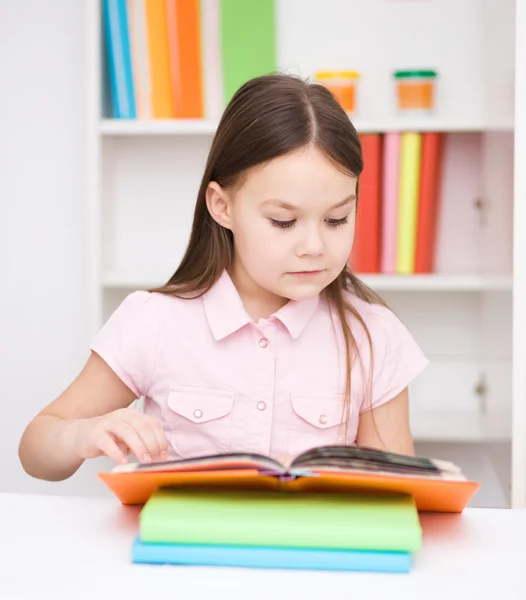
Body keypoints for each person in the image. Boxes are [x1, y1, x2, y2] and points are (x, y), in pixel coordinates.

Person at [19, 74, 428, 482]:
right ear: (221, 206)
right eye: (283, 222)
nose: (314, 245)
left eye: (337, 218)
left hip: (314, 547)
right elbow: (36, 450)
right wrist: (81, 434)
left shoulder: (373, 337)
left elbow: (399, 494)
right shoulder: (154, 322)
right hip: (181, 545)